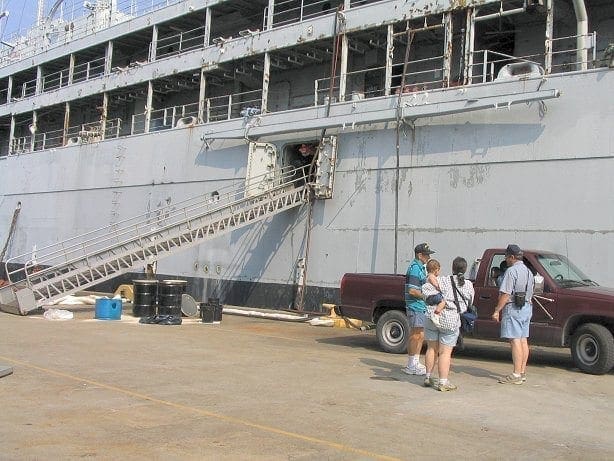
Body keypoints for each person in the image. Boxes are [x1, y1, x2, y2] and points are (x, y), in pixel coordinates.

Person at [422, 257, 474, 391]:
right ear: (465, 269)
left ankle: (428, 377)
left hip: (433, 317)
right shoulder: (468, 285)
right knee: (445, 353)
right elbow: (470, 302)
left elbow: (426, 286)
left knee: (431, 348)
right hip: (451, 319)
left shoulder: (443, 280)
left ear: (452, 268)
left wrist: (431, 278)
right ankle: (443, 382)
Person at [491, 244, 534, 385]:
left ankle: (515, 374)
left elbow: (506, 293)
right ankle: (522, 372)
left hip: (513, 307)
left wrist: (497, 310)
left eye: (507, 257)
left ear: (512, 257)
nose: (506, 260)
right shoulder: (528, 272)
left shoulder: (511, 271)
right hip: (527, 306)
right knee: (523, 340)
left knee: (514, 340)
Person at [401, 243, 435, 375]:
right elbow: (412, 290)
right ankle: (411, 364)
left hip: (420, 306)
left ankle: (415, 361)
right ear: (420, 255)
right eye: (427, 255)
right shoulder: (415, 268)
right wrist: (426, 297)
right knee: (416, 335)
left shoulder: (421, 268)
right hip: (415, 306)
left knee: (420, 334)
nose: (428, 257)